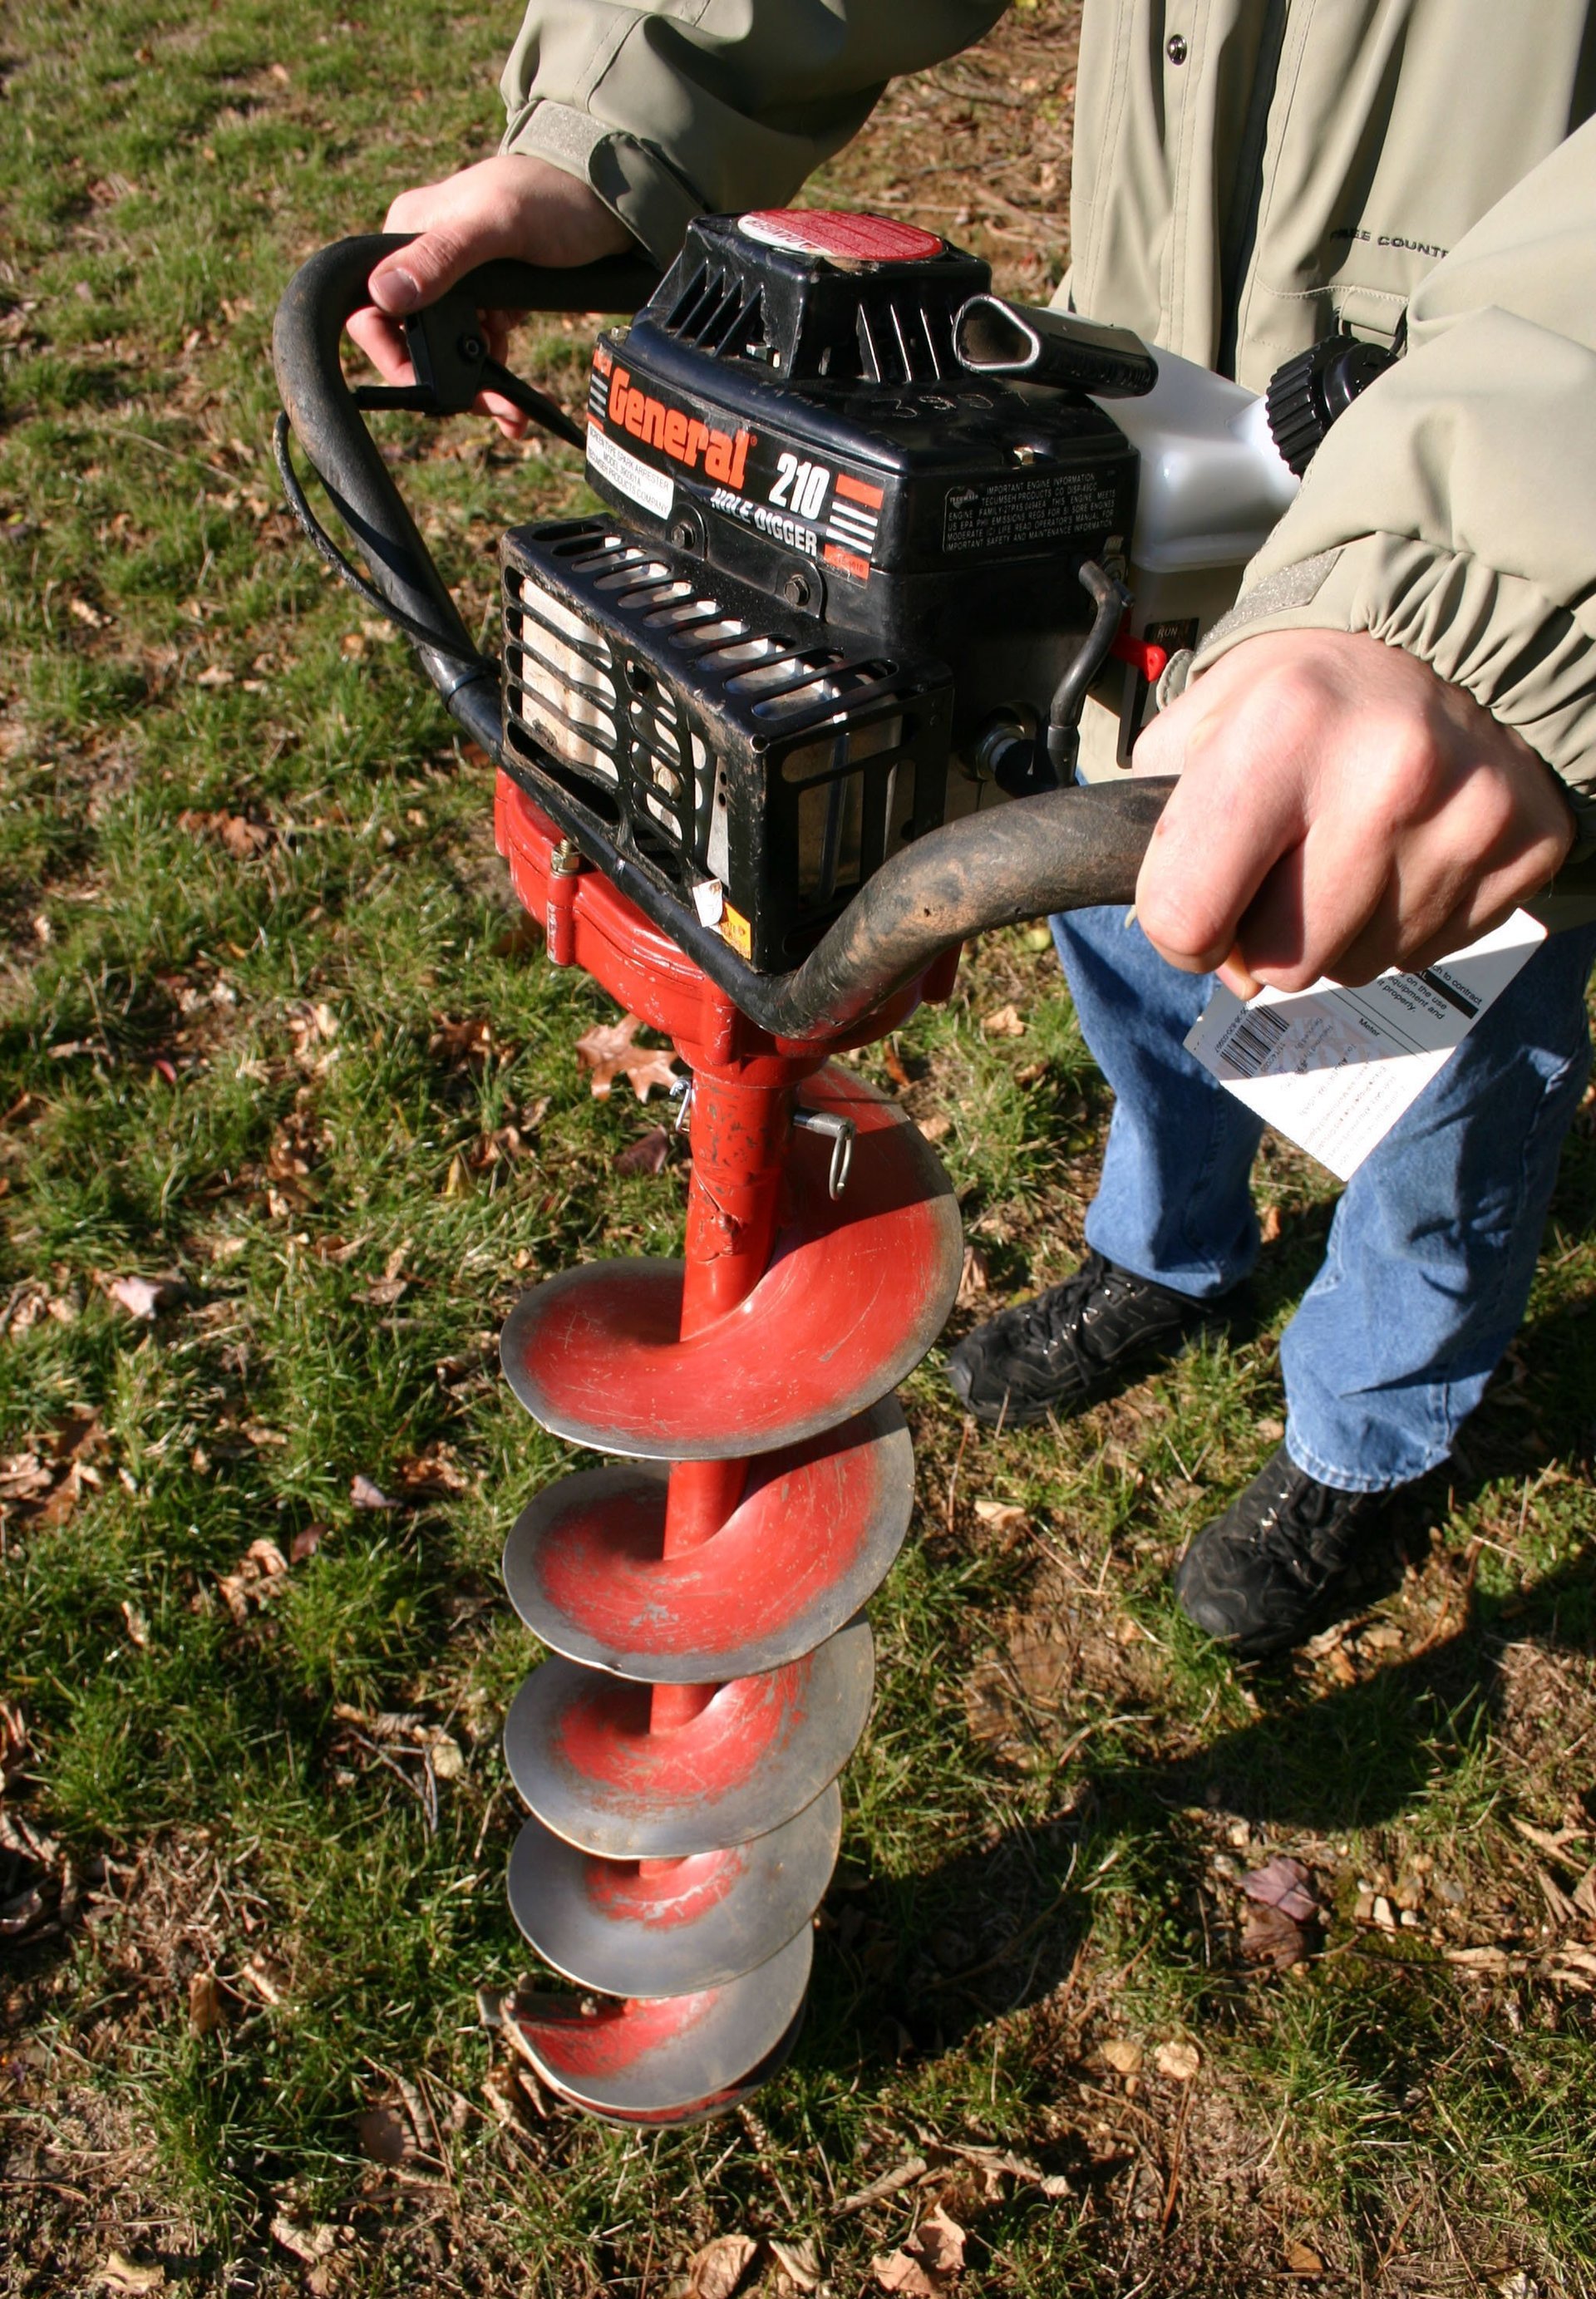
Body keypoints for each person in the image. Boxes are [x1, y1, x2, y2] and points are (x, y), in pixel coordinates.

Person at [351, 4, 1596, 1659]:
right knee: (1142, 985)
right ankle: (1172, 1253)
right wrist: (607, 129)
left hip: (1457, 626)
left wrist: (1484, 570)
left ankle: (1362, 1440)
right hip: (1108, 533)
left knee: (1433, 1103)